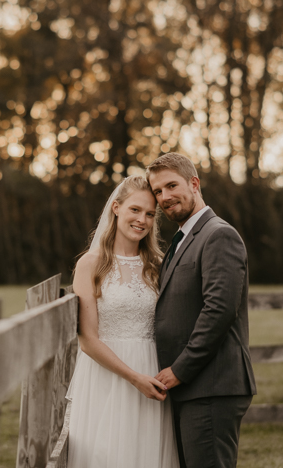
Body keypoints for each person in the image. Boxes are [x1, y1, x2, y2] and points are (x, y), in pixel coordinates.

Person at [147, 153, 257, 468]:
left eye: (171, 186)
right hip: (194, 389)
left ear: (194, 184)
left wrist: (179, 370)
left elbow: (219, 311)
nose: (164, 197)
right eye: (158, 191)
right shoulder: (182, 240)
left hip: (211, 386)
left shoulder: (218, 235)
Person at [66, 175, 180, 468]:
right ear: (116, 208)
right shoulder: (90, 264)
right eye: (135, 210)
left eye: (150, 214)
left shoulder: (158, 265)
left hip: (153, 374)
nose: (142, 220)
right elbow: (88, 339)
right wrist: (133, 377)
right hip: (109, 375)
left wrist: (152, 377)